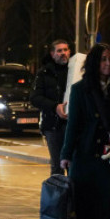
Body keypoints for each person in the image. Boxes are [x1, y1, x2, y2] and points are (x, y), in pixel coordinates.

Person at [59, 43, 110, 219]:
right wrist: (65, 155)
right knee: (83, 211)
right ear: (94, 63)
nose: (108, 63)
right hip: (87, 157)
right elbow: (73, 124)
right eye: (103, 59)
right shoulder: (80, 89)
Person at [31, 38, 71, 176]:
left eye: (65, 50)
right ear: (53, 54)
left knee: (73, 164)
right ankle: (58, 196)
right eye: (59, 50)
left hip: (72, 125)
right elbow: (35, 98)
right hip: (53, 126)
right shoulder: (44, 73)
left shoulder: (75, 72)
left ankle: (74, 196)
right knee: (57, 165)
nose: (63, 53)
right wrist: (55, 107)